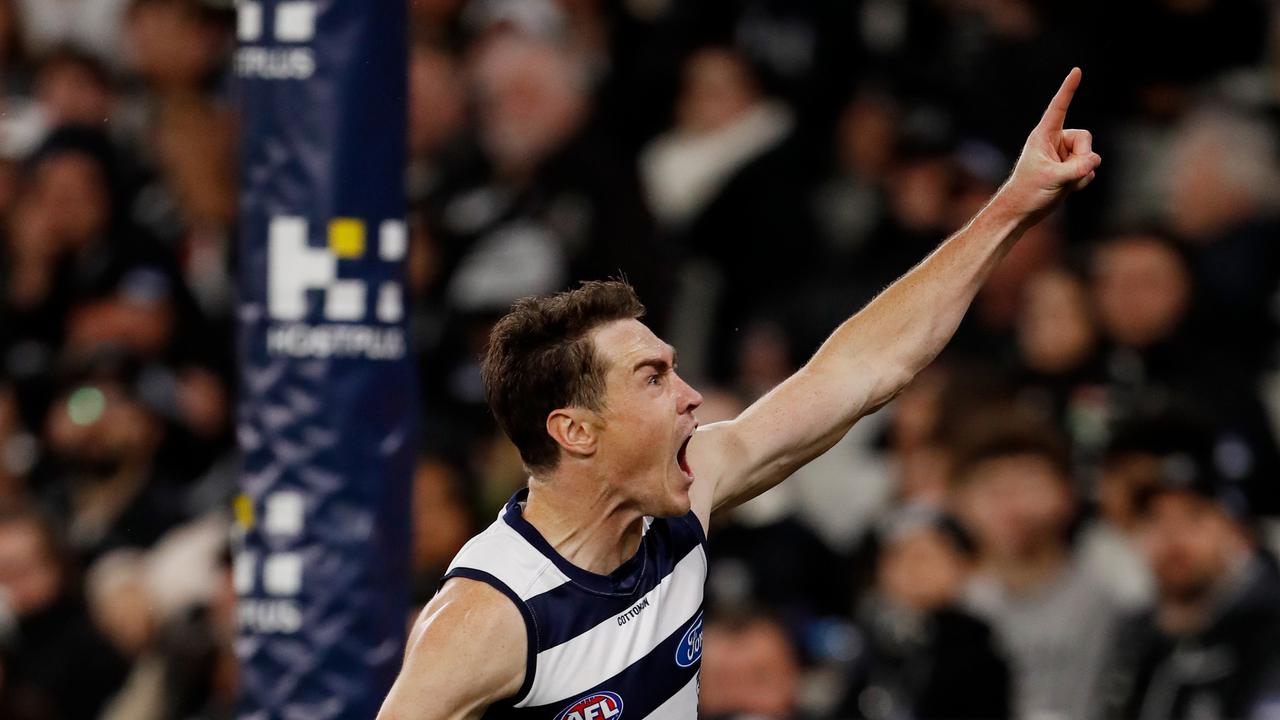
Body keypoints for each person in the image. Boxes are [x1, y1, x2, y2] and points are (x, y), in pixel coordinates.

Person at [377, 68, 1102, 720]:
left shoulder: (687, 494)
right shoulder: (488, 615)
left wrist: (1011, 208)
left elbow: (864, 369)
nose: (692, 397)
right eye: (654, 379)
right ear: (575, 430)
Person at [1105, 434, 1280, 720]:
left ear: (1238, 532)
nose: (1172, 536)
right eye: (1154, 517)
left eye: (1194, 515)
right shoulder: (1135, 637)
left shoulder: (1268, 633)